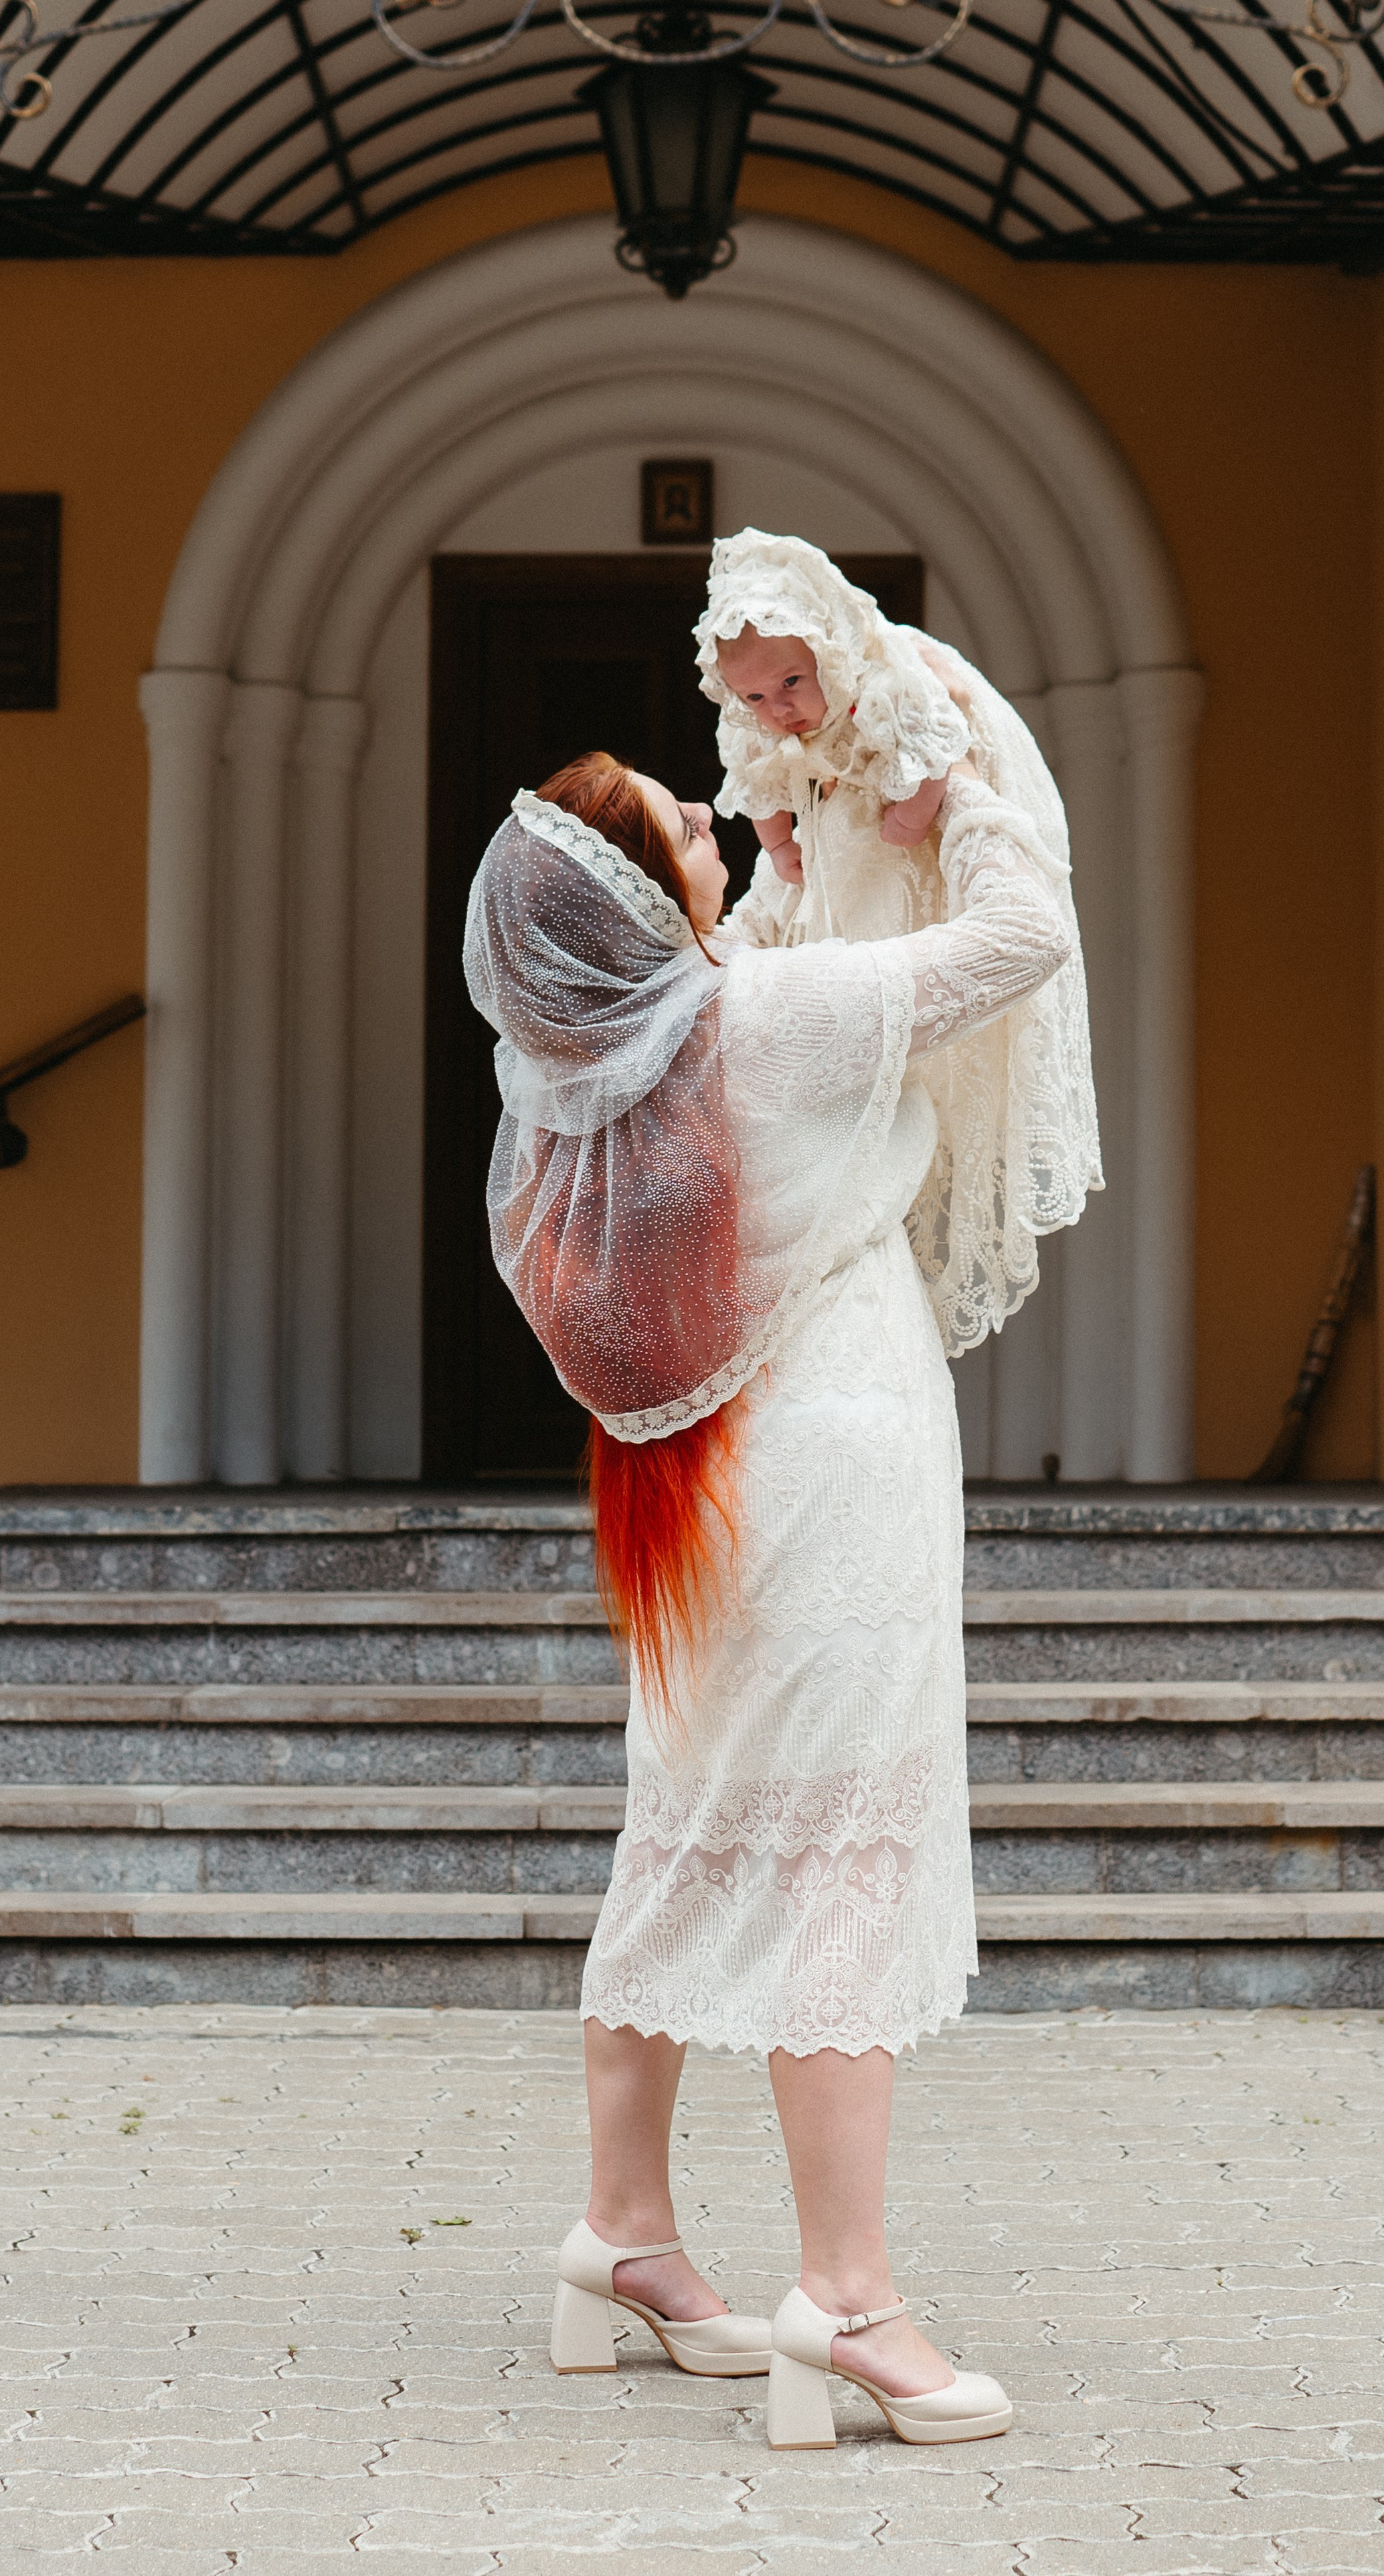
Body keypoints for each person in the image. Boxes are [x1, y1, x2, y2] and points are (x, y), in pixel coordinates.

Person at [463, 727, 1094, 2450]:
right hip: (835, 1458)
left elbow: (763, 982)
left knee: (685, 1820)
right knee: (842, 1848)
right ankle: (849, 2297)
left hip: (710, 1496)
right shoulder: (762, 1021)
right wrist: (952, 805)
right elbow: (1022, 938)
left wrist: (798, 865)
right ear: (638, 907)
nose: (707, 812)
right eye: (681, 825)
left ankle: (623, 2231)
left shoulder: (570, 1065)